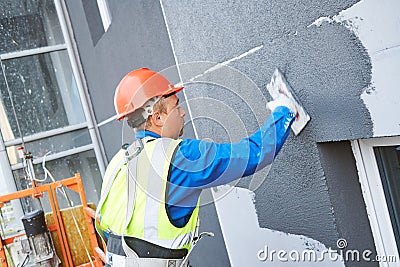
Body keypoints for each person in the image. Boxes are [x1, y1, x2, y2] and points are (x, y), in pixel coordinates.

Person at [96, 68, 298, 266]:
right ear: (157, 118)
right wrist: (284, 110)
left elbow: (106, 228)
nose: (183, 112)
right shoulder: (179, 157)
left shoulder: (118, 162)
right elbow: (252, 155)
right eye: (176, 106)